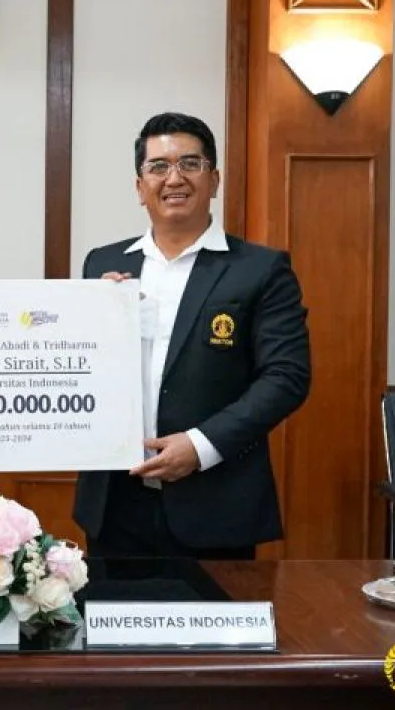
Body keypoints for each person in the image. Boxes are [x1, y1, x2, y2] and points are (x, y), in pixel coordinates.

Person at [73, 111, 311, 560]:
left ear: (214, 179)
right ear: (139, 186)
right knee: (112, 610)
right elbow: (82, 368)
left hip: (216, 503)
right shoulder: (102, 264)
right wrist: (92, 320)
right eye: (158, 166)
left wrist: (201, 445)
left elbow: (286, 377)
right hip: (114, 504)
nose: (174, 178)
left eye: (190, 163)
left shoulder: (260, 269)